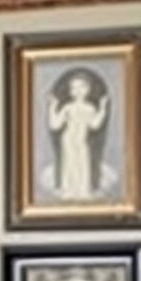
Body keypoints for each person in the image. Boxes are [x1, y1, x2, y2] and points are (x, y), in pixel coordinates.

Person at [46, 70, 110, 200]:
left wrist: (103, 108)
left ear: (88, 89)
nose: (78, 90)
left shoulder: (90, 108)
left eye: (81, 87)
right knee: (69, 164)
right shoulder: (67, 108)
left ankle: (82, 190)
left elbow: (95, 125)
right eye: (74, 87)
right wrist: (52, 107)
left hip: (81, 140)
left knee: (82, 164)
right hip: (68, 140)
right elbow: (55, 124)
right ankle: (68, 190)